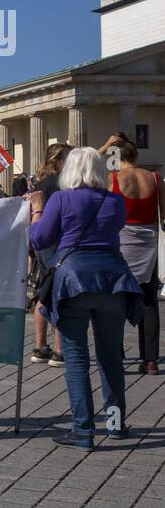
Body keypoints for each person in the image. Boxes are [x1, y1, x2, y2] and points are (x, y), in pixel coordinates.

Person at [29, 147, 142, 448]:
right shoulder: (115, 200)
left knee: (77, 359)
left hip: (73, 281)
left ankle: (83, 431)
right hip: (112, 279)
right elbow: (114, 229)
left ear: (70, 171)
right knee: (111, 358)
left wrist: (37, 211)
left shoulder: (62, 199)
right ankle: (116, 425)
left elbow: (40, 239)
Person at [99, 134, 164, 374]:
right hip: (149, 242)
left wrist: (105, 147)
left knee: (116, 299)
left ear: (118, 158)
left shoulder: (113, 179)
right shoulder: (155, 178)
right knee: (149, 302)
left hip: (121, 242)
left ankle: (115, 353)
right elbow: (163, 216)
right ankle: (150, 360)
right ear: (136, 156)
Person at [30, 142, 72, 366]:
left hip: (41, 240)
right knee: (59, 294)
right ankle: (59, 350)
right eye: (68, 157)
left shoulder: (39, 182)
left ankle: (39, 346)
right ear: (57, 159)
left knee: (43, 291)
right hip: (58, 242)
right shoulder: (62, 184)